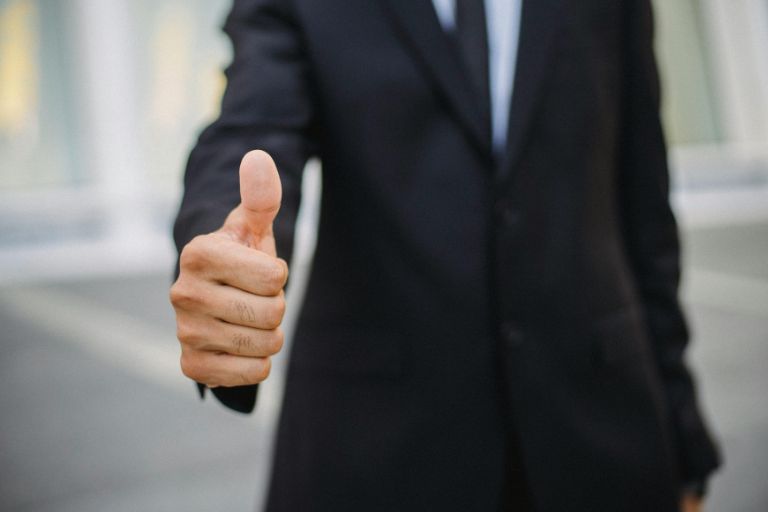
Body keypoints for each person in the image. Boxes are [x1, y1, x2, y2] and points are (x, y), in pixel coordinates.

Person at [170, 1, 721, 510]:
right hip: (378, 454)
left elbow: (644, 212)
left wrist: (683, 437)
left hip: (603, 440)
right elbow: (249, 125)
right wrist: (225, 244)